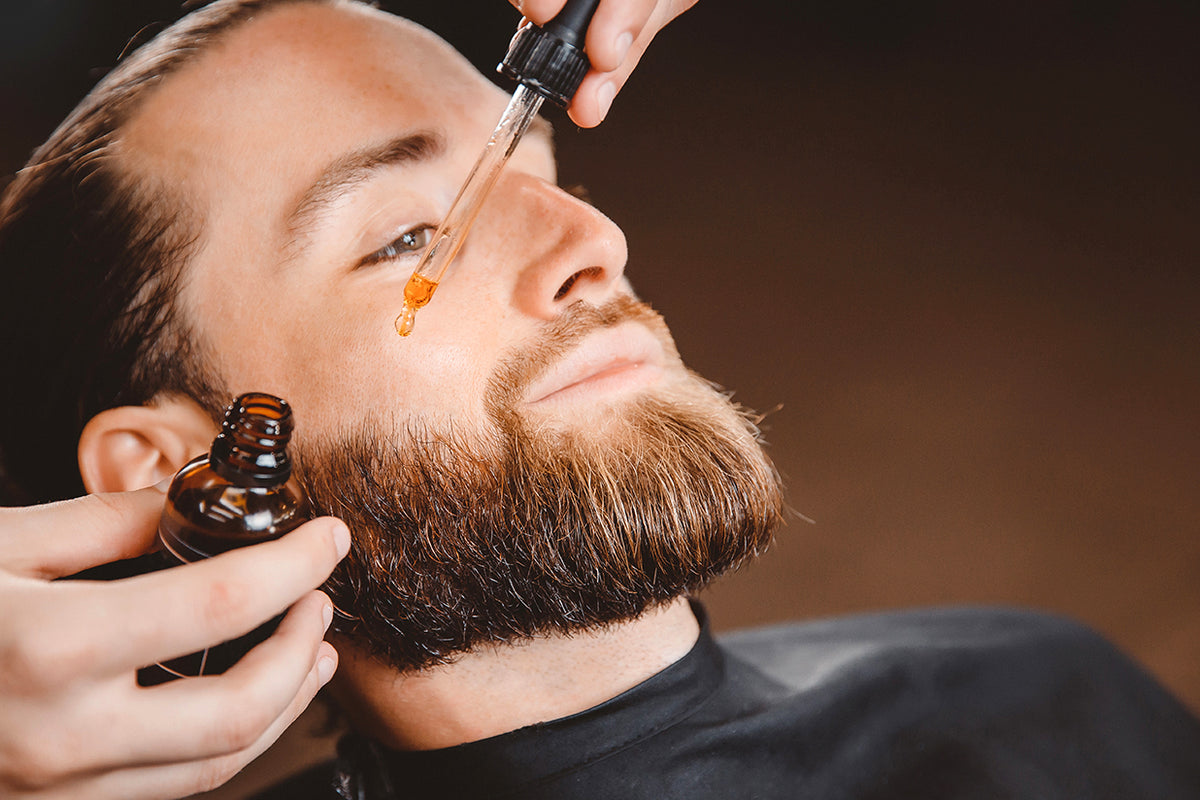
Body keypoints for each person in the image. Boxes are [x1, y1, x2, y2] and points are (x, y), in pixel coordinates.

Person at [0, 2, 1197, 799]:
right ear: (172, 466)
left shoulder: (1050, 701)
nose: (595, 243)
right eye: (412, 234)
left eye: (548, 177)